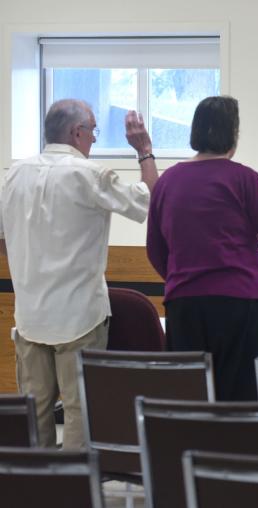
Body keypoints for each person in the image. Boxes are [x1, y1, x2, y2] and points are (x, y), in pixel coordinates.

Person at [0, 99, 157, 448]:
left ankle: (36, 493)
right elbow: (148, 201)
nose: (94, 140)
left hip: (29, 317)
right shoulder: (90, 174)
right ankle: (73, 493)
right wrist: (144, 151)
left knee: (34, 414)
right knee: (79, 413)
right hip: (79, 317)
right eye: (93, 131)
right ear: (77, 132)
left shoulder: (14, 175)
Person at [146, 95, 258, 401]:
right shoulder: (243, 179)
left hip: (185, 306)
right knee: (241, 403)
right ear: (233, 135)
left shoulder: (168, 181)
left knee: (189, 400)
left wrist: (182, 278)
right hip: (242, 307)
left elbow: (156, 252)